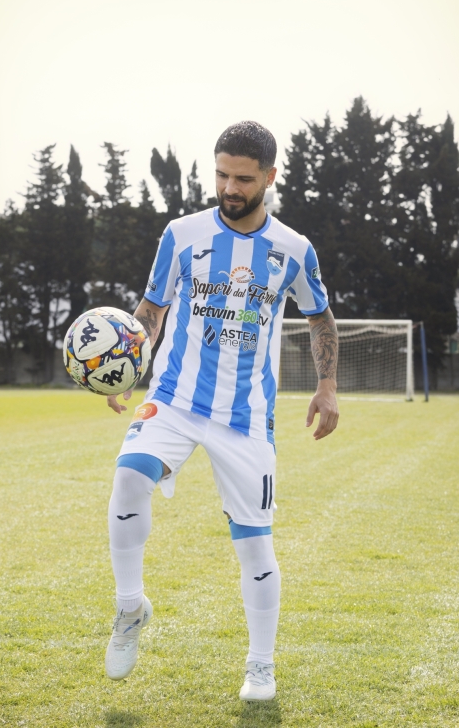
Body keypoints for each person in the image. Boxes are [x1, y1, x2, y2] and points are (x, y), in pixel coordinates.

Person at [104, 121, 339, 701]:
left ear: (269, 177)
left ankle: (261, 666)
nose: (229, 188)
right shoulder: (181, 234)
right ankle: (130, 607)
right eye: (221, 175)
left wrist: (327, 385)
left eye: (242, 178)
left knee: (255, 543)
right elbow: (153, 307)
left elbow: (320, 317)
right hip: (175, 398)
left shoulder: (293, 249)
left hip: (246, 416)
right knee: (128, 478)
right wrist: (128, 365)